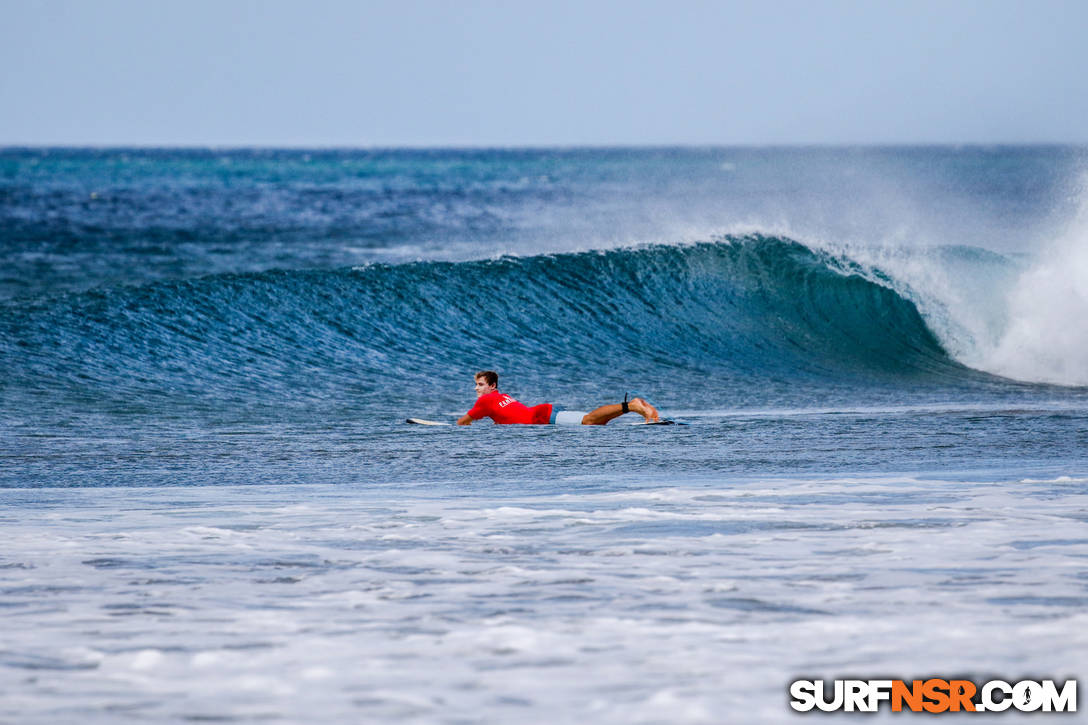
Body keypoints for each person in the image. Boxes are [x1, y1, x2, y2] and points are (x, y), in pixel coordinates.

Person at [456, 370, 660, 426]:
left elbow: (463, 422)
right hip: (546, 410)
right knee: (595, 421)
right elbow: (505, 415)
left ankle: (631, 406)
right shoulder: (503, 396)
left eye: (480, 385)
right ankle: (635, 406)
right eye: (476, 384)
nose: (476, 389)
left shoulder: (485, 400)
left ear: (492, 386)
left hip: (542, 416)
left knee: (589, 420)